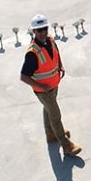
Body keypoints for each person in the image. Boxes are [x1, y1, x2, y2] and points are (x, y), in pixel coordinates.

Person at [20, 14, 82, 156]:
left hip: (54, 84)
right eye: (39, 30)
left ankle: (51, 135)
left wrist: (61, 65)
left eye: (44, 29)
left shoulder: (50, 40)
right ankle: (66, 145)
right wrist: (42, 87)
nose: (42, 33)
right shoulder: (32, 53)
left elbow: (56, 54)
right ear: (34, 32)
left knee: (48, 109)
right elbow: (24, 77)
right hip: (43, 90)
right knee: (55, 115)